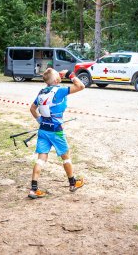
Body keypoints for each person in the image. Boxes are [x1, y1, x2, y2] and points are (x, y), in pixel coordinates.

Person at [28, 68, 85, 199]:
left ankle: (33, 189)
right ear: (55, 80)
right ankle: (73, 183)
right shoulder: (59, 91)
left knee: (41, 159)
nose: (59, 75)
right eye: (57, 74)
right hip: (56, 131)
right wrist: (70, 73)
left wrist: (40, 120)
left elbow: (32, 108)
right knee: (66, 156)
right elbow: (81, 86)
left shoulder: (42, 92)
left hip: (43, 130)